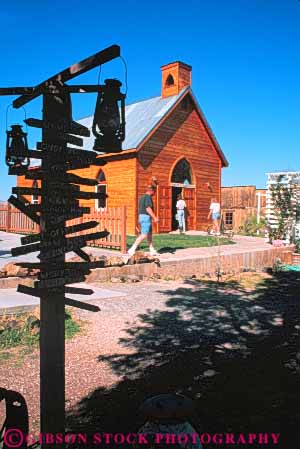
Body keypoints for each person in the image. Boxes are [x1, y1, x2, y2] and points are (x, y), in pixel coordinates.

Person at [127, 184, 159, 256]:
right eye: (154, 191)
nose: (155, 193)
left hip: (142, 217)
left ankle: (151, 249)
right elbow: (148, 208)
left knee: (149, 234)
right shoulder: (148, 197)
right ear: (151, 191)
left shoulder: (142, 197)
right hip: (146, 217)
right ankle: (132, 249)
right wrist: (154, 217)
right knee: (144, 234)